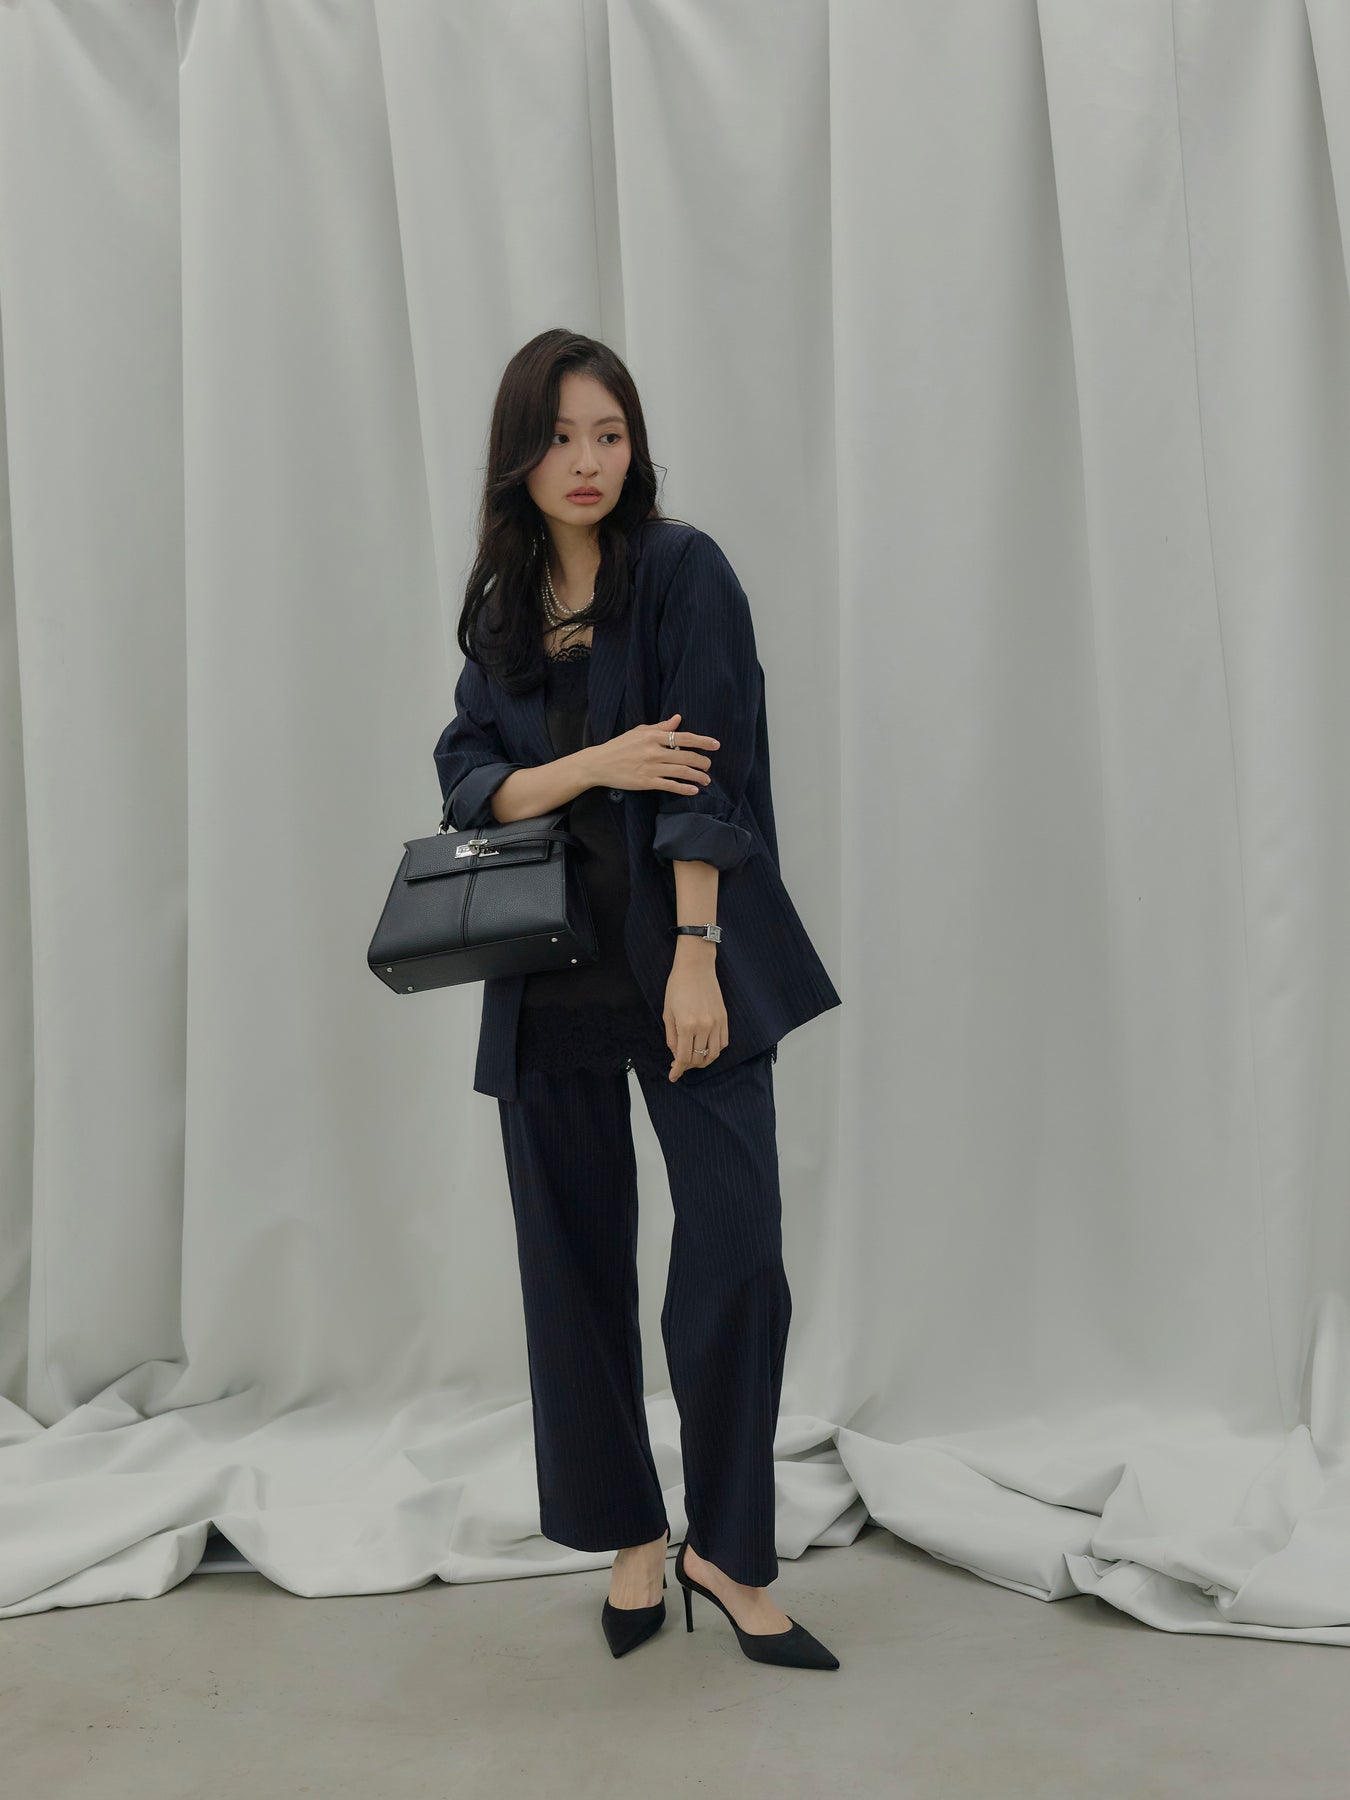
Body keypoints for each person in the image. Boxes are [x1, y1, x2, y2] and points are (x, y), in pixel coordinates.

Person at [434, 329, 841, 1668]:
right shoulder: (503, 609)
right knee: (570, 1266)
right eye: (560, 437)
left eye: (608, 434)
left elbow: (711, 771)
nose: (587, 460)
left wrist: (697, 955)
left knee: (736, 1251)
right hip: (546, 979)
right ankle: (629, 1535)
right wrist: (598, 761)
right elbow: (467, 779)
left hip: (680, 964)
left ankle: (727, 1548)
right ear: (519, 455)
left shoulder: (680, 571)